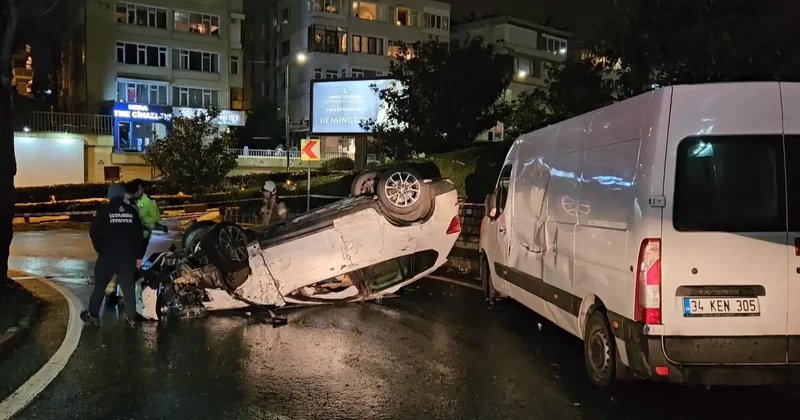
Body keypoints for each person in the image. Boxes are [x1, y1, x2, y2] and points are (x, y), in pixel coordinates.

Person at [82, 181, 144, 327]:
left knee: (100, 286)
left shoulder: (103, 211)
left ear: (109, 196)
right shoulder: (131, 211)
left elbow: (94, 232)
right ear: (122, 195)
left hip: (107, 256)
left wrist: (101, 249)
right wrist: (138, 256)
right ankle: (132, 318)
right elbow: (139, 236)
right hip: (127, 256)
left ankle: (93, 314)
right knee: (127, 287)